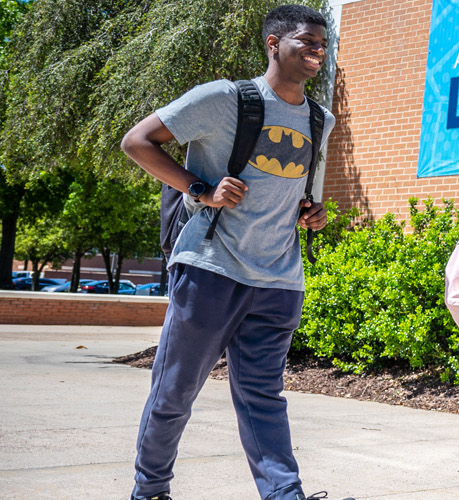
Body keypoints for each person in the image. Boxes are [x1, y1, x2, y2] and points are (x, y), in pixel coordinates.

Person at [118, 5, 336, 500]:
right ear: (273, 43)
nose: (317, 51)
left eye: (323, 43)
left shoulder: (321, 120)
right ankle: (150, 489)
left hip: (279, 278)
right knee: (175, 389)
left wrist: (311, 212)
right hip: (210, 268)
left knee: (263, 396)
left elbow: (300, 192)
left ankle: (284, 493)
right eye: (306, 41)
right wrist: (201, 189)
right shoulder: (223, 98)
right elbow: (137, 141)